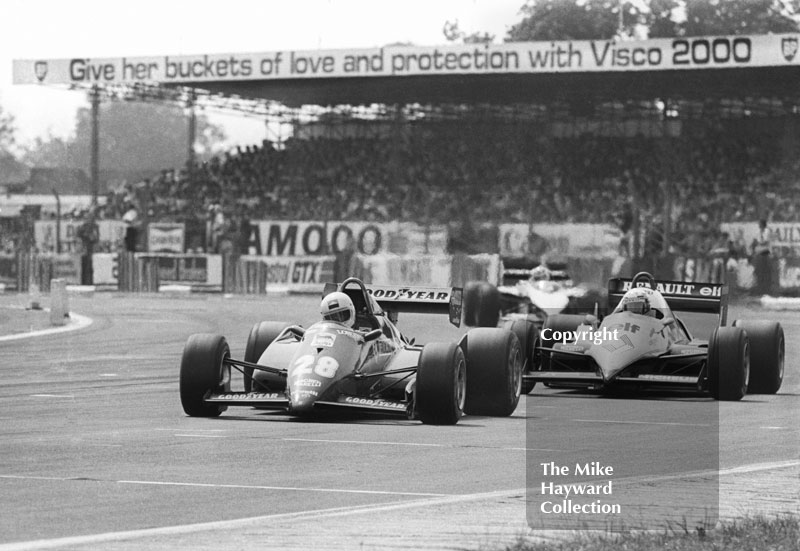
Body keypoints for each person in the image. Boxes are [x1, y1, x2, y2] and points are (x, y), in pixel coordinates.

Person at [751, 219, 773, 295]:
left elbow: (765, 242)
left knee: (765, 272)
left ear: (763, 224)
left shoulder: (767, 231)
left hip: (765, 253)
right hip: (759, 253)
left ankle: (766, 290)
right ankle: (759, 289)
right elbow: (755, 241)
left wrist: (759, 243)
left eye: (759, 223)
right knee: (759, 272)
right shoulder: (758, 232)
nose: (758, 225)